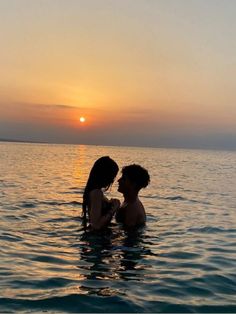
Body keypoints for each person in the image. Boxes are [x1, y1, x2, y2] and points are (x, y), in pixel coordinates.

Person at [82, 156, 120, 231]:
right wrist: (113, 209)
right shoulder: (96, 193)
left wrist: (109, 203)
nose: (112, 180)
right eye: (112, 176)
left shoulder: (94, 191)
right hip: (98, 239)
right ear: (105, 175)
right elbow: (96, 225)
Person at [116, 164, 150, 230]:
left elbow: (128, 236)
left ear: (133, 184)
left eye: (123, 179)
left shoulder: (131, 208)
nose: (118, 181)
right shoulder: (128, 202)